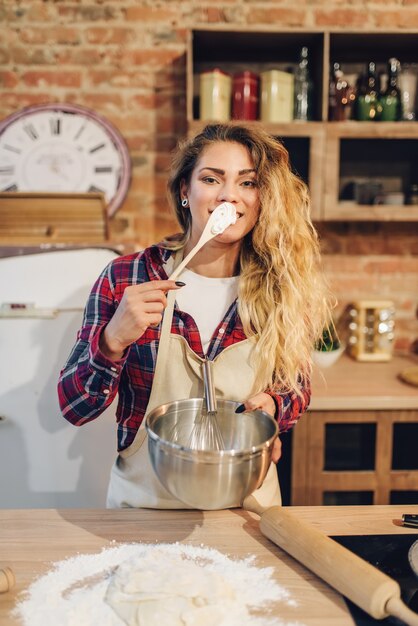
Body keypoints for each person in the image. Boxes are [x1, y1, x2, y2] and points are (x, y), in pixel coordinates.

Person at [58, 122, 331, 509]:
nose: (228, 196)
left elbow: (296, 386)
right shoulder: (126, 277)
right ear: (186, 191)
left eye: (247, 183)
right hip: (145, 505)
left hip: (247, 507)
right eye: (211, 178)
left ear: (263, 197)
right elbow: (74, 408)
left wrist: (273, 407)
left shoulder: (281, 285)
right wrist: (112, 340)